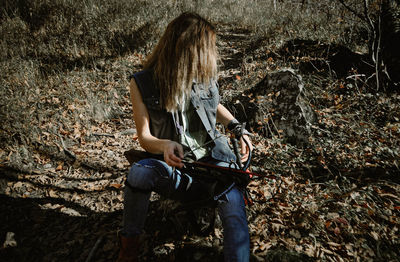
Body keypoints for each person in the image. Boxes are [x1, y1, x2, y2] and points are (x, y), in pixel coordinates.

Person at [117, 12, 253, 262]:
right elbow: (145, 137)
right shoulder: (142, 83)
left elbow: (215, 105)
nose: (212, 56)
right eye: (208, 49)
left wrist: (236, 127)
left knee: (234, 210)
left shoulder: (203, 75)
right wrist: (165, 145)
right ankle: (128, 249)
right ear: (188, 50)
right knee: (139, 172)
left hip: (215, 166)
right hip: (175, 171)